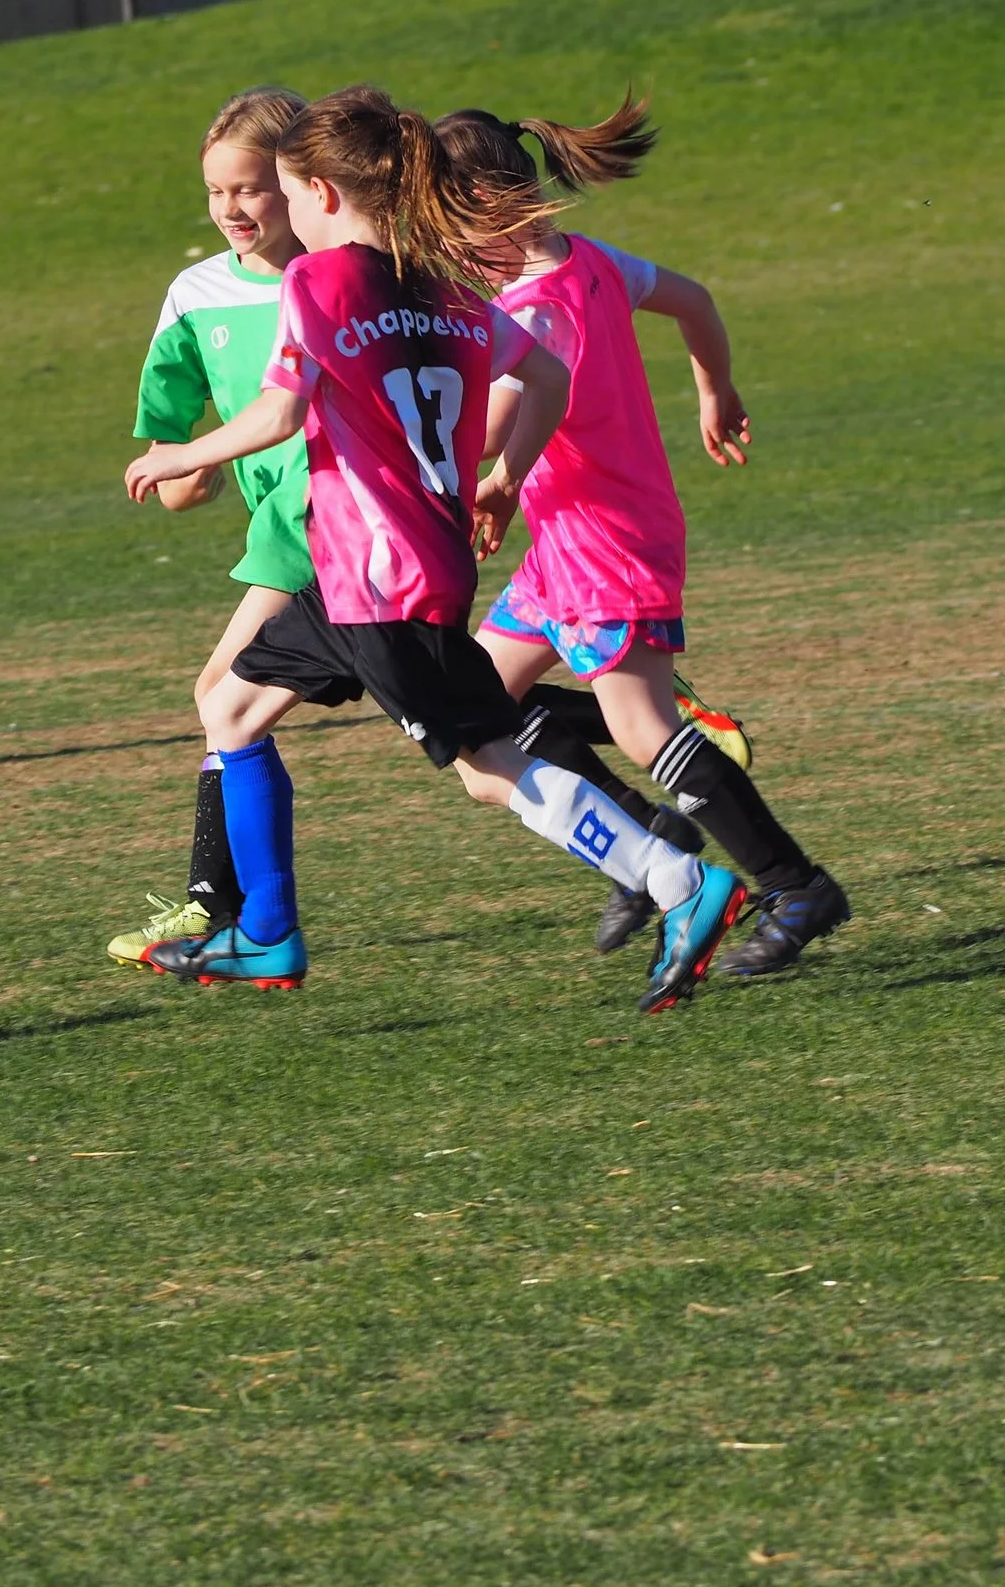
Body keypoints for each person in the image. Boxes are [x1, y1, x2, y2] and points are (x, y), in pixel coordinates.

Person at [124, 86, 747, 1013]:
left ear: (326, 196)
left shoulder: (316, 282)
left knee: (491, 772)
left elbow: (280, 412)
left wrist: (183, 452)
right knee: (232, 708)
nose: (280, 214)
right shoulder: (447, 287)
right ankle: (265, 934)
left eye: (288, 194)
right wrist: (500, 479)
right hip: (384, 567)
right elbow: (544, 372)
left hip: (379, 581)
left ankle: (678, 880)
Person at [439, 101, 849, 978]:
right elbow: (695, 302)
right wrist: (716, 389)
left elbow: (483, 433)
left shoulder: (536, 310)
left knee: (642, 722)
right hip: (565, 546)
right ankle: (644, 829)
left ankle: (795, 884)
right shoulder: (591, 264)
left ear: (484, 206)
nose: (446, 255)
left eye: (446, 228)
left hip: (608, 543)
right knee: (477, 720)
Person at [110, 87, 317, 966]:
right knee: (464, 729)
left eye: (252, 188)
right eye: (216, 193)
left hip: (328, 517)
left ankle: (227, 913)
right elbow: (180, 471)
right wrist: (185, 466)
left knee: (223, 696)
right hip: (280, 521)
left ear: (303, 181)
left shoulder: (340, 272)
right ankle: (651, 743)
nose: (232, 208)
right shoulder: (193, 297)